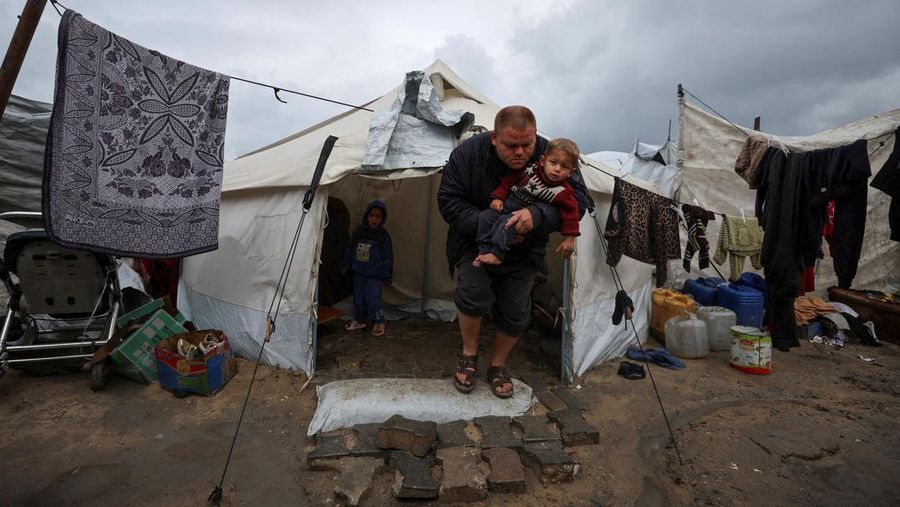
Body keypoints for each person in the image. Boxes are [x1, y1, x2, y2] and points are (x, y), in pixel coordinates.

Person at [437, 106, 589, 398]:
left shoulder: (553, 153)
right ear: (494, 138)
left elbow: (579, 201)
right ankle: (469, 355)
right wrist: (492, 226)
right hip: (473, 242)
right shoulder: (466, 155)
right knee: (472, 294)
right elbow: (447, 201)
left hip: (526, 249)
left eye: (527, 144)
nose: (521, 152)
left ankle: (497, 365)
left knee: (517, 310)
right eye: (511, 145)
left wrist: (537, 215)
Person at [473, 138, 581, 267]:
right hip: (505, 207)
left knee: (506, 224)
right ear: (542, 161)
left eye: (564, 167)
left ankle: (497, 254)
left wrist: (569, 239)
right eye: (553, 162)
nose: (557, 169)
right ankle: (483, 251)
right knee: (486, 216)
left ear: (571, 172)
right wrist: (498, 198)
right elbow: (508, 182)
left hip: (520, 218)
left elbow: (571, 215)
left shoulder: (563, 192)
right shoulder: (529, 170)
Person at [341, 200, 393, 337]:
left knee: (374, 300)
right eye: (372, 216)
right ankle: (360, 320)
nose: (374, 219)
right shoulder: (359, 232)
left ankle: (379, 321)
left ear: (382, 219)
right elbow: (350, 249)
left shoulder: (382, 236)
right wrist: (346, 264)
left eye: (378, 217)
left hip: (374, 276)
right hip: (359, 272)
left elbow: (387, 256)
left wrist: (387, 275)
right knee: (358, 300)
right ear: (366, 216)